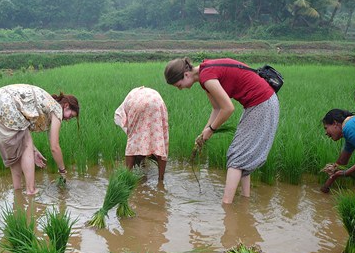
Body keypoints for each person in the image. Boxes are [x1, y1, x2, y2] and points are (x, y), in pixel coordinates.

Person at [164, 57, 279, 204]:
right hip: (259, 103)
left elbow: (228, 108)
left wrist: (211, 130)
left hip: (262, 104)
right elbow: (217, 108)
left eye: (178, 85)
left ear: (186, 75)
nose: (180, 88)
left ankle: (227, 205)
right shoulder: (204, 74)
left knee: (236, 156)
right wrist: (203, 134)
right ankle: (245, 199)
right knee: (242, 154)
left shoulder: (207, 77)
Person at [0, 84, 79, 195]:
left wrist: (34, 151)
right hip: (6, 102)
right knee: (27, 143)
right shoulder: (57, 109)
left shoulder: (48, 104)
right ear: (66, 106)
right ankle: (31, 190)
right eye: (71, 115)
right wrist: (62, 170)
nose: (68, 119)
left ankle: (17, 192)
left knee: (16, 151)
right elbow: (54, 147)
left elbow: (24, 133)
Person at [321, 109, 355, 203]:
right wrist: (326, 187)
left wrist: (345, 173)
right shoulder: (350, 130)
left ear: (335, 123)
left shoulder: (348, 128)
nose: (326, 133)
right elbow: (341, 163)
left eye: (326, 128)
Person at [114, 86, 169, 181]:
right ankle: (161, 180)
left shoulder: (120, 112)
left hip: (136, 103)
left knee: (132, 143)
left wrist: (133, 139)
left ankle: (126, 178)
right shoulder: (144, 93)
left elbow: (135, 137)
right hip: (157, 102)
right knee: (160, 142)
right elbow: (145, 136)